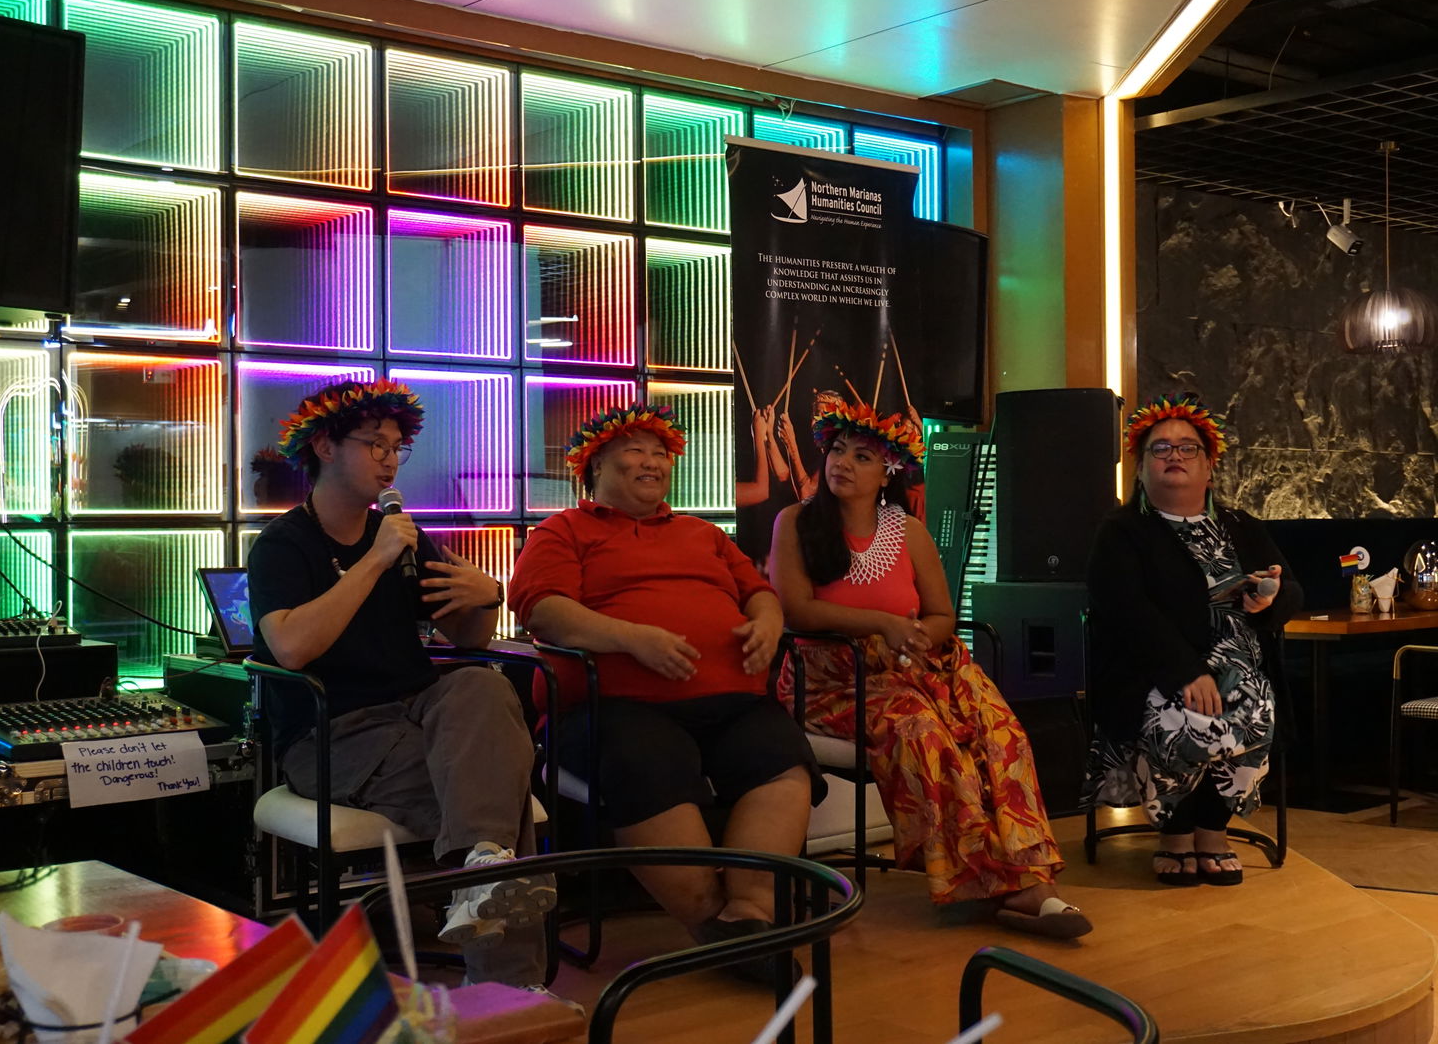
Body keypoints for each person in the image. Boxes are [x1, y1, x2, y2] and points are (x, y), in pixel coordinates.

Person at [247, 379, 552, 986]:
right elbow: (291, 647)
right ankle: (509, 985)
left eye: (396, 446)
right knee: (496, 784)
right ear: (327, 447)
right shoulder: (283, 545)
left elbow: (467, 639)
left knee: (485, 687)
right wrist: (375, 559)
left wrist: (486, 597)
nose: (389, 458)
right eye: (374, 443)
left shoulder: (405, 536)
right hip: (331, 734)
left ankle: (484, 872)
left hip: (420, 710)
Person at [508, 403, 824, 983]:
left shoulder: (702, 534)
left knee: (780, 758)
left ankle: (750, 913)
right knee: (645, 761)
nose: (653, 461)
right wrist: (631, 640)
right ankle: (712, 926)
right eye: (636, 450)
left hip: (731, 701)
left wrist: (767, 620)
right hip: (613, 709)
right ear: (594, 462)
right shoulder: (563, 532)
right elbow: (544, 611)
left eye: (661, 453)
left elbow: (758, 590)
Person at [767, 403, 1090, 939]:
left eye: (862, 455)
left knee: (1001, 733)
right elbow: (795, 610)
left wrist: (914, 638)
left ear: (888, 470)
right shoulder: (795, 522)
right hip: (830, 678)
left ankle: (1029, 879)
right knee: (923, 732)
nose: (842, 462)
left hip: (915, 662)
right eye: (838, 450)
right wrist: (883, 625)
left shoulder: (908, 530)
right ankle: (990, 881)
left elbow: (942, 616)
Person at [1084, 393, 1302, 886]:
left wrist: (1270, 598)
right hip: (1152, 667)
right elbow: (1125, 610)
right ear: (1140, 470)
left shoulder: (1241, 526)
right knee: (1181, 714)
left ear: (1209, 466)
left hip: (1245, 665)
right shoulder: (1121, 531)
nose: (1174, 457)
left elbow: (1291, 589)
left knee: (1254, 706)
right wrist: (1186, 670)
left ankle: (1213, 831)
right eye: (1160, 449)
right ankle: (1176, 835)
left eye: (1187, 448)